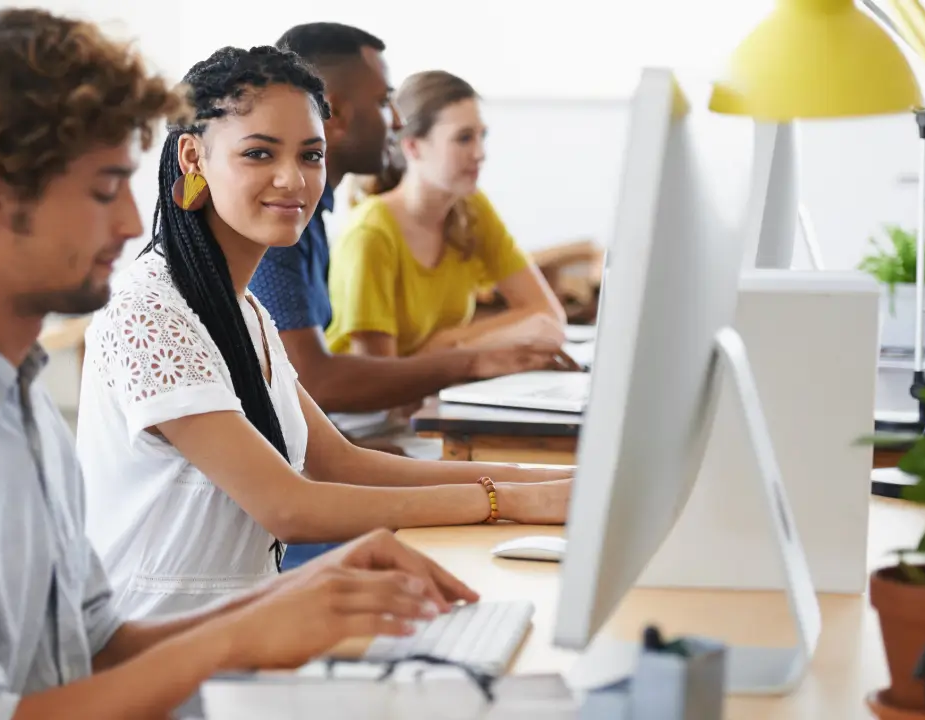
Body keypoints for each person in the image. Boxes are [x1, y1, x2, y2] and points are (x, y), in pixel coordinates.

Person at [0, 10, 480, 719]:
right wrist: (245, 636)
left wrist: (308, 596)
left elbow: (99, 645)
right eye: (102, 189)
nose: (129, 223)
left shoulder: (7, 395)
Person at [75, 44, 572, 622]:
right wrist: (506, 502)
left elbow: (341, 462)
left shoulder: (245, 310)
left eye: (311, 156)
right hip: (152, 654)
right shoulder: (150, 311)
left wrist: (551, 481)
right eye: (259, 153)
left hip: (236, 635)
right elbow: (289, 506)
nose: (293, 180)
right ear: (193, 159)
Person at [246, 23, 569, 414]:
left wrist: (452, 347)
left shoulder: (308, 217)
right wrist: (470, 358)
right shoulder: (292, 221)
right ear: (336, 114)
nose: (398, 122)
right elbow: (315, 382)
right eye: (385, 101)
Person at [325, 70, 568, 360]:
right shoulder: (370, 234)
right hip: (371, 402)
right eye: (464, 138)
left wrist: (449, 343)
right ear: (413, 146)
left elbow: (548, 316)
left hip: (437, 390)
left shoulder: (471, 208)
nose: (480, 153)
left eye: (482, 136)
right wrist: (468, 346)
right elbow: (378, 376)